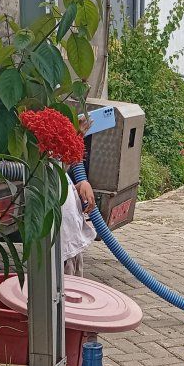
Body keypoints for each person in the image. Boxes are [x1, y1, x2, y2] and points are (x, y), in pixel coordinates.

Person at [62, 113, 98, 277]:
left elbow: (62, 182)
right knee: (65, 288)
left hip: (72, 243)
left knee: (76, 280)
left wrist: (80, 185)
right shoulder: (47, 165)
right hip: (62, 249)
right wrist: (78, 135)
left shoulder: (61, 169)